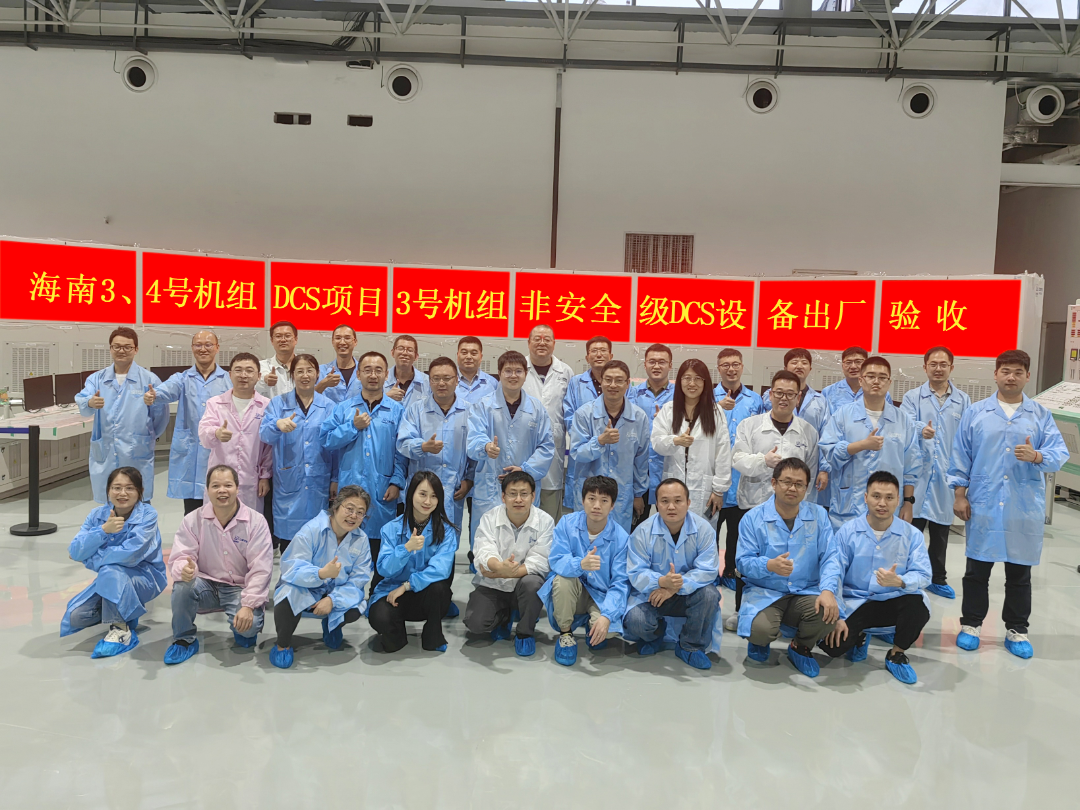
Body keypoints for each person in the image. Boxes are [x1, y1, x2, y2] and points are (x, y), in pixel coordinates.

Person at [950, 349, 1068, 659]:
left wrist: (1037, 456)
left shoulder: (1040, 415)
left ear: (1027, 376)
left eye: (1017, 372)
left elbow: (1059, 453)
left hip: (1022, 506)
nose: (1011, 377)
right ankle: (971, 625)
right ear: (996, 374)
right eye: (1005, 371)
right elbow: (961, 455)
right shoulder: (976, 413)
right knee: (976, 571)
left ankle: (1017, 629)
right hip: (984, 504)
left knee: (1019, 574)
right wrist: (959, 495)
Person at [727, 370, 823, 629]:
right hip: (754, 504)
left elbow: (811, 471)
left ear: (798, 397)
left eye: (790, 394)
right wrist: (763, 461)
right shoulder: (750, 425)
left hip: (791, 508)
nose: (784, 398)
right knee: (748, 560)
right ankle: (742, 609)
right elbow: (737, 460)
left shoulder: (808, 431)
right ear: (769, 394)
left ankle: (784, 610)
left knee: (786, 558)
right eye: (779, 392)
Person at [819, 472, 932, 685]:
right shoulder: (847, 532)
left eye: (889, 497)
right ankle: (861, 635)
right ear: (865, 497)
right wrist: (838, 615)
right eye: (876, 496)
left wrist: (900, 582)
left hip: (893, 599)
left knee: (917, 606)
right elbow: (834, 571)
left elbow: (924, 574)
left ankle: (896, 654)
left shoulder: (912, 535)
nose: (882, 503)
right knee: (832, 647)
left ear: (898, 500)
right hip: (856, 601)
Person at [736, 458, 840, 678]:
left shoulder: (819, 516)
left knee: (828, 612)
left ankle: (800, 647)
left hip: (805, 590)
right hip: (766, 591)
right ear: (774, 483)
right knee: (760, 630)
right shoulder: (752, 519)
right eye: (786, 482)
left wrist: (828, 590)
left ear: (806, 488)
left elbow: (830, 557)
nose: (792, 488)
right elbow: (742, 562)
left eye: (799, 484)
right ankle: (759, 642)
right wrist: (769, 565)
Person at [164, 465, 273, 665]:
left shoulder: (256, 522)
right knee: (182, 586)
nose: (222, 490)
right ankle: (184, 639)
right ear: (207, 490)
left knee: (248, 631)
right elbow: (181, 556)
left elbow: (261, 569)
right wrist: (184, 570)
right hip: (206, 584)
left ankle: (242, 625)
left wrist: (248, 605)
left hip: (239, 588)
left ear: (237, 488)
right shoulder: (193, 520)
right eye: (215, 486)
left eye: (228, 485)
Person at [60, 467, 167, 658]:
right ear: (108, 490)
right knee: (77, 616)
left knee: (111, 569)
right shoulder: (97, 516)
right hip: (111, 578)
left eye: (129, 488)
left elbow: (130, 555)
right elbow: (74, 550)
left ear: (140, 492)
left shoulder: (148, 515)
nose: (122, 493)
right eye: (117, 488)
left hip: (146, 577)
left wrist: (89, 558)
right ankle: (127, 613)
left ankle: (121, 630)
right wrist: (103, 530)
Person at [269, 485, 373, 669]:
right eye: (349, 509)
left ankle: (332, 626)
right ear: (336, 506)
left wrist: (333, 600)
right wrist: (320, 574)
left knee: (356, 606)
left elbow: (359, 579)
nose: (353, 516)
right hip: (307, 588)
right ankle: (282, 644)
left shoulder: (361, 539)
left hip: (335, 592)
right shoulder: (312, 530)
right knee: (287, 595)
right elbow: (291, 568)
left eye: (360, 512)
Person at [624, 478, 722, 670]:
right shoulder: (642, 532)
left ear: (688, 503)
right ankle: (655, 636)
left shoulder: (704, 530)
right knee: (636, 620)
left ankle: (690, 646)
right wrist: (661, 581)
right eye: (665, 501)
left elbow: (707, 570)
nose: (671, 507)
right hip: (653, 595)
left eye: (678, 501)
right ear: (656, 504)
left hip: (689, 593)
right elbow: (635, 572)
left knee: (710, 595)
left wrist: (675, 586)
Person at [320, 350, 408, 562]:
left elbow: (402, 451)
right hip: (349, 487)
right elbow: (326, 440)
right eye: (367, 370)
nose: (373, 375)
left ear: (386, 375)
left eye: (378, 370)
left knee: (380, 551)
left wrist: (396, 482)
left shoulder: (397, 411)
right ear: (358, 374)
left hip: (382, 490)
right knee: (346, 551)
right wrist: (352, 427)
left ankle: (378, 584)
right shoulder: (344, 409)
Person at [466, 350, 555, 553]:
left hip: (524, 485)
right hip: (491, 486)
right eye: (507, 371)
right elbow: (473, 438)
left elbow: (546, 446)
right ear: (499, 373)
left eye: (518, 371)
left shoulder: (536, 409)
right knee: (487, 541)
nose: (513, 376)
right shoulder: (483, 406)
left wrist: (525, 470)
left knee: (524, 541)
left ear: (525, 374)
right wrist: (486, 447)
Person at [819, 356, 921, 531]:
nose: (876, 381)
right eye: (871, 376)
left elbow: (911, 467)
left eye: (882, 377)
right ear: (861, 380)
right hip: (849, 505)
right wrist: (861, 445)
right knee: (847, 546)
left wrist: (908, 502)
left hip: (888, 507)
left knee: (886, 545)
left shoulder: (903, 420)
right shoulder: (843, 415)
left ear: (889, 382)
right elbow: (830, 453)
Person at [901, 345, 971, 599]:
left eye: (943, 364)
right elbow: (904, 423)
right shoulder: (912, 397)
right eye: (933, 364)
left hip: (946, 473)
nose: (938, 369)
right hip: (917, 473)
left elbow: (967, 437)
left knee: (941, 531)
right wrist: (920, 428)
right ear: (925, 367)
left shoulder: (963, 400)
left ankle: (937, 578)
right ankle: (906, 575)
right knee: (911, 529)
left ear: (951, 367)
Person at [540, 475, 630, 667]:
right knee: (562, 579)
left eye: (604, 500)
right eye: (591, 498)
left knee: (609, 630)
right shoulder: (567, 523)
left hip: (601, 595)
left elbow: (620, 583)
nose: (597, 505)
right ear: (582, 501)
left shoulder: (621, 538)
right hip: (574, 589)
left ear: (612, 505)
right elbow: (556, 560)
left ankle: (593, 624)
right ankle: (566, 634)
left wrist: (606, 616)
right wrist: (580, 564)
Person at [464, 470, 554, 657]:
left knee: (533, 583)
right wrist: (498, 567)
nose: (518, 499)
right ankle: (505, 616)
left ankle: (524, 633)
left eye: (524, 494)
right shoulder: (489, 518)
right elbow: (483, 550)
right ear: (503, 497)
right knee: (475, 624)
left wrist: (506, 572)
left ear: (533, 496)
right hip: (493, 584)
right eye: (513, 494)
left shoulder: (545, 521)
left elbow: (540, 560)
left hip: (523, 584)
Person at [76, 327, 168, 503]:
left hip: (136, 451)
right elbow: (82, 400)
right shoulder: (96, 379)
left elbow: (160, 416)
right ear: (110, 348)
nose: (121, 351)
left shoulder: (149, 380)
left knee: (138, 501)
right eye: (116, 346)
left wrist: (147, 436)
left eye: (127, 347)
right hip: (106, 451)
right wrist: (90, 402)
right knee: (109, 503)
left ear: (136, 349)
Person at [368, 472, 458, 653]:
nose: (428, 501)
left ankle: (433, 635)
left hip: (425, 594)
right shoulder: (390, 529)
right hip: (391, 592)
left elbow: (441, 570)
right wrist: (406, 548)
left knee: (440, 589)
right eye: (422, 494)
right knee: (380, 618)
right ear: (411, 495)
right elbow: (384, 569)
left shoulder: (446, 531)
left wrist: (408, 585)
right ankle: (396, 634)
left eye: (434, 496)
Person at [145, 330, 232, 514]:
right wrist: (154, 395)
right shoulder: (182, 378)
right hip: (191, 451)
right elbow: (166, 391)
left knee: (221, 506)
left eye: (208, 345)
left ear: (217, 348)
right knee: (192, 511)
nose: (203, 349)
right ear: (192, 348)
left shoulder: (228, 380)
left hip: (218, 449)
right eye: (198, 345)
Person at [259, 354, 336, 553]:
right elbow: (265, 435)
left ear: (317, 374)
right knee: (289, 545)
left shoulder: (329, 406)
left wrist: (335, 479)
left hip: (319, 480)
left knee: (318, 542)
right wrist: (277, 425)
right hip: (288, 480)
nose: (305, 375)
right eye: (299, 371)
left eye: (310, 370)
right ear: (292, 375)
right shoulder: (278, 404)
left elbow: (336, 447)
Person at [568, 359, 650, 531]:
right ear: (601, 381)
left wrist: (638, 494)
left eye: (619, 380)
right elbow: (577, 453)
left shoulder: (639, 417)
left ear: (627, 384)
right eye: (608, 379)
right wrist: (599, 442)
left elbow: (641, 460)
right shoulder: (584, 414)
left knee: (618, 540)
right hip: (590, 493)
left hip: (622, 494)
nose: (613, 385)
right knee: (586, 538)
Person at [650, 359, 732, 528]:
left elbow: (723, 452)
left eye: (697, 379)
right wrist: (675, 441)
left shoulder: (716, 412)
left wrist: (719, 490)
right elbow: (656, 442)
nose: (692, 383)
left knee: (702, 533)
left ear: (705, 382)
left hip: (705, 488)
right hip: (673, 485)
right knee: (670, 531)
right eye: (687, 378)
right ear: (679, 381)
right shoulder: (668, 410)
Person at [397, 356, 474, 529]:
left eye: (447, 378)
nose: (441, 383)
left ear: (457, 381)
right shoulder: (416, 410)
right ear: (429, 381)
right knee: (417, 538)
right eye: (436, 378)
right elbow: (403, 443)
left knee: (449, 538)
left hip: (454, 490)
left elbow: (475, 451)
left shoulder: (470, 411)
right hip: (420, 490)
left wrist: (469, 480)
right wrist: (423, 447)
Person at [713, 347, 765, 590]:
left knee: (737, 532)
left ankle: (731, 572)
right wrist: (717, 407)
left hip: (742, 481)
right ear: (718, 368)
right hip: (715, 479)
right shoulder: (708, 398)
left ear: (742, 367)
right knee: (710, 530)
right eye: (725, 365)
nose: (731, 369)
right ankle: (710, 573)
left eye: (735, 364)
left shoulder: (755, 401)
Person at [198, 353, 272, 511]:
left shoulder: (266, 406)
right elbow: (204, 435)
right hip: (220, 479)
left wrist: (265, 476)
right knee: (216, 520)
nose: (243, 375)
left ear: (259, 376)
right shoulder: (215, 403)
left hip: (251, 479)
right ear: (230, 374)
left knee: (249, 521)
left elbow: (268, 447)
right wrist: (216, 433)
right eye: (238, 370)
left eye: (249, 371)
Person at [762, 348, 830, 503]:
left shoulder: (820, 401)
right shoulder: (768, 396)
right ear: (785, 367)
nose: (799, 366)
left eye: (804, 362)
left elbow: (826, 435)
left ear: (810, 368)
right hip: (775, 460)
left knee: (803, 504)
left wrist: (824, 468)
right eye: (794, 362)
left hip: (807, 459)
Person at [523, 324, 575, 521]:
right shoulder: (519, 368)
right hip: (524, 447)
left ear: (554, 344)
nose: (542, 343)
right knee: (521, 502)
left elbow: (569, 410)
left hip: (554, 451)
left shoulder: (565, 372)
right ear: (529, 343)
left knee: (549, 513)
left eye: (547, 339)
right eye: (537, 339)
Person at [561, 335, 614, 511]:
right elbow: (569, 416)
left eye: (603, 350)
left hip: (613, 453)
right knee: (584, 508)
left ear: (611, 356)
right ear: (587, 357)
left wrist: (607, 439)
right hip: (583, 450)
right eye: (594, 351)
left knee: (608, 506)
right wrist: (594, 440)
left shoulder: (618, 382)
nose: (599, 354)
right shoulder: (576, 383)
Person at [628, 343, 675, 529]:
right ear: (645, 364)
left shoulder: (680, 396)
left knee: (671, 525)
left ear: (670, 365)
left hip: (669, 467)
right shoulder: (632, 394)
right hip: (640, 470)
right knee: (637, 527)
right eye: (652, 362)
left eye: (662, 362)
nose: (656, 366)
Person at [315, 324, 361, 404]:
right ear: (332, 342)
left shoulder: (365, 372)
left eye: (347, 338)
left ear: (355, 342)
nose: (342, 342)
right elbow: (307, 401)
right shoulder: (321, 371)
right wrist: (323, 384)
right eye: (338, 338)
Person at [385, 334, 429, 410]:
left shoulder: (428, 382)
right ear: (392, 353)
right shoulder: (380, 380)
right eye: (400, 348)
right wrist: (386, 398)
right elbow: (368, 407)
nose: (405, 353)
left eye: (410, 350)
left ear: (416, 356)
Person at [255, 320, 298, 399]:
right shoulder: (260, 367)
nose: (283, 340)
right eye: (278, 336)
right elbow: (250, 389)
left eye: (287, 336)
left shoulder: (306, 366)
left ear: (296, 339)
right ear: (272, 341)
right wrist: (264, 381)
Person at [456, 336, 499, 405]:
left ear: (481, 357)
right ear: (457, 355)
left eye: (473, 353)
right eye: (464, 353)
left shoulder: (493, 383)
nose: (469, 357)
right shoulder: (447, 382)